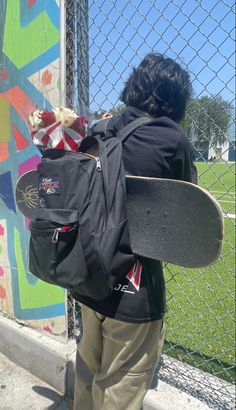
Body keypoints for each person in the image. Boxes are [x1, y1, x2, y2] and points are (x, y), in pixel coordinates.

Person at [72, 52, 197, 410]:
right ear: (176, 98)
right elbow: (188, 212)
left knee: (87, 367)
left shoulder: (100, 128)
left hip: (86, 274)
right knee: (121, 385)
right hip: (134, 287)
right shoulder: (173, 140)